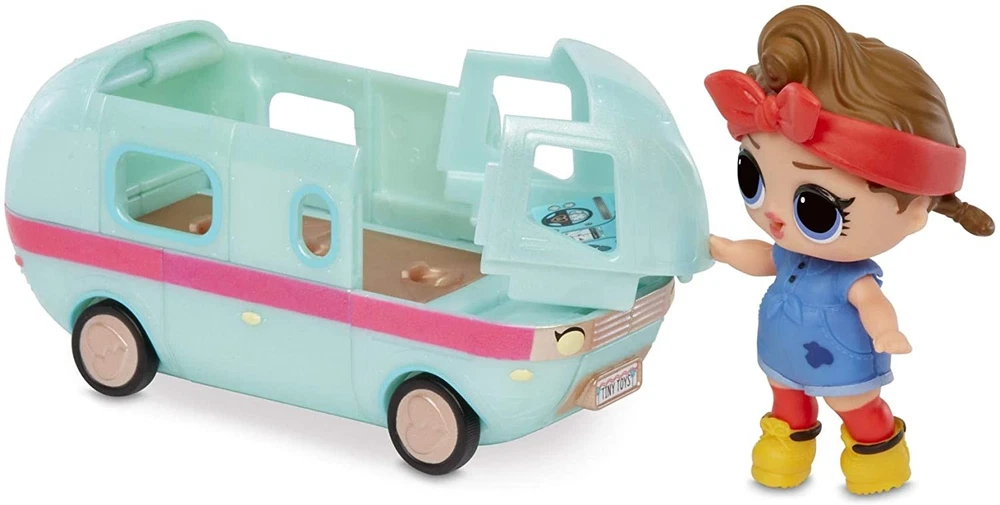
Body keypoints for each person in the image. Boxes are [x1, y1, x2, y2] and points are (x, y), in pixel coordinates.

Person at [703, 5, 994, 495]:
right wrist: (723, 248)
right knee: (786, 401)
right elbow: (763, 258)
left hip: (842, 359)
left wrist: (886, 330)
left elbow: (871, 302)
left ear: (915, 211)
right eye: (752, 176)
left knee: (858, 408)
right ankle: (786, 445)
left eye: (815, 207)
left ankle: (878, 454)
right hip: (781, 352)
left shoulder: (850, 276)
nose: (773, 214)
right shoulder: (786, 252)